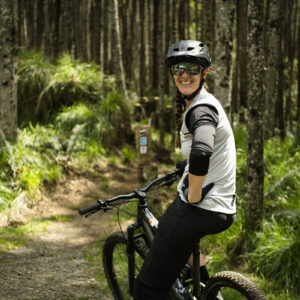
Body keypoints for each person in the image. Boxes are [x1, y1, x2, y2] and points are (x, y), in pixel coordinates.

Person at [133, 40, 236, 300]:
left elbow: (202, 151)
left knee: (146, 288)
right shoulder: (205, 101)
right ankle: (208, 291)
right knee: (186, 251)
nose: (184, 74)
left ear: (204, 72)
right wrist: (186, 167)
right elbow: (201, 155)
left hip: (201, 207)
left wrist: (193, 193)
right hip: (223, 206)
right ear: (172, 73)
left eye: (192, 68)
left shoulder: (201, 108)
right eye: (178, 68)